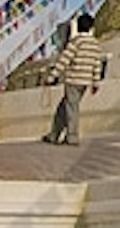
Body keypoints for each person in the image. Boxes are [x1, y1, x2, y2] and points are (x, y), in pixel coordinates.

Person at [40, 14, 106, 146]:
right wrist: (96, 82)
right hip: (85, 81)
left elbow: (64, 60)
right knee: (64, 107)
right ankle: (54, 134)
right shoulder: (95, 44)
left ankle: (72, 136)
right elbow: (97, 64)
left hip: (73, 79)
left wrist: (52, 76)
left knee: (71, 108)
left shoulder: (76, 42)